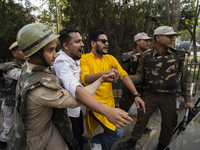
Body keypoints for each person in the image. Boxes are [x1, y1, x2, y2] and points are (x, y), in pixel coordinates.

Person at [8, 23, 133, 150]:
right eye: (51, 50)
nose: (56, 54)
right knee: (75, 142)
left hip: (51, 124)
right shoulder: (46, 82)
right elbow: (76, 98)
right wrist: (107, 111)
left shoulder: (36, 65)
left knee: (76, 137)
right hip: (39, 134)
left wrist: (101, 77)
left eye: (55, 49)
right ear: (36, 53)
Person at [118, 26, 195, 150]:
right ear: (158, 38)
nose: (172, 39)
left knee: (170, 122)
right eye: (169, 36)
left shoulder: (179, 55)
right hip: (149, 95)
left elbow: (185, 79)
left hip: (169, 96)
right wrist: (122, 76)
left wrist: (188, 99)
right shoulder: (146, 56)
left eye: (173, 36)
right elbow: (139, 76)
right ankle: (132, 141)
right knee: (142, 120)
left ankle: (162, 145)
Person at [52, 27, 122, 150]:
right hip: (67, 113)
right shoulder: (61, 63)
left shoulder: (75, 58)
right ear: (66, 45)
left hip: (77, 110)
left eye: (82, 41)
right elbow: (75, 88)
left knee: (80, 134)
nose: (82, 44)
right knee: (74, 142)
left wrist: (104, 75)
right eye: (77, 41)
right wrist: (107, 111)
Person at [80, 30, 145, 150]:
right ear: (93, 43)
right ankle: (94, 140)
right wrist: (104, 74)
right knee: (118, 133)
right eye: (103, 41)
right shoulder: (85, 58)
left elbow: (124, 76)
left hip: (110, 105)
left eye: (107, 41)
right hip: (95, 105)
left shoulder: (110, 58)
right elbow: (85, 79)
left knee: (115, 132)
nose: (107, 44)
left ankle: (100, 146)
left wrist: (136, 95)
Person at [119, 32, 152, 133]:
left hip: (144, 88)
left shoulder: (151, 55)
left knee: (143, 111)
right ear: (137, 42)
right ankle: (117, 128)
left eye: (148, 41)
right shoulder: (128, 56)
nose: (148, 43)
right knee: (123, 109)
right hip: (129, 88)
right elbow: (123, 73)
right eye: (145, 40)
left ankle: (142, 127)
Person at [0, 41, 28, 149]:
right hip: (11, 104)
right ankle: (3, 145)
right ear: (13, 53)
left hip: (23, 103)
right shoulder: (9, 68)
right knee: (9, 129)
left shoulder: (28, 65)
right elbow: (23, 76)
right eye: (21, 50)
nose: (25, 53)